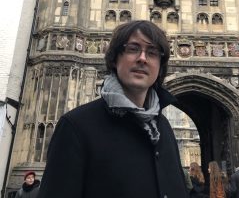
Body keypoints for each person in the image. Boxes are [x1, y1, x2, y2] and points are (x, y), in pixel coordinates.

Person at [38, 20, 189, 198]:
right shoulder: (76, 127)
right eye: (133, 49)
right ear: (115, 58)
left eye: (152, 52)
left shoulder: (163, 128)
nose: (142, 58)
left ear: (160, 65)